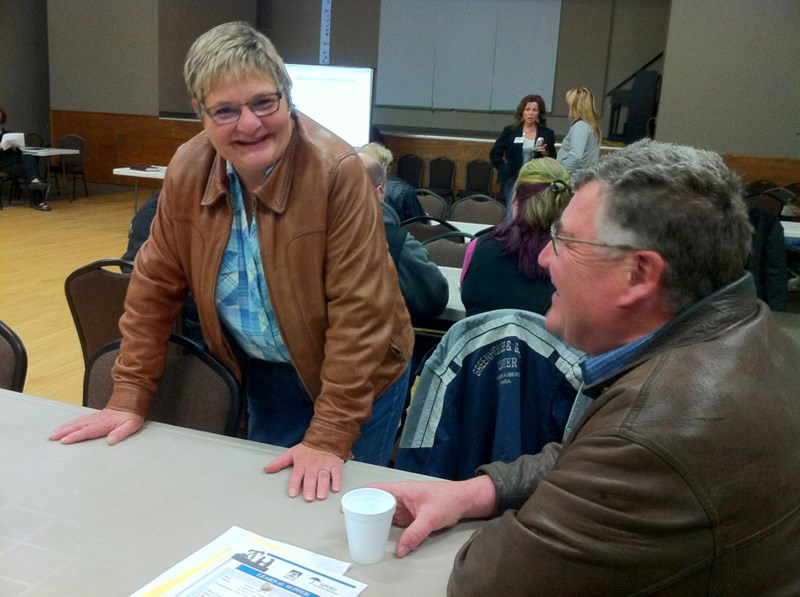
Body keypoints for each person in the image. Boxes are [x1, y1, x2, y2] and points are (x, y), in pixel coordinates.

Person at [371, 139, 800, 594]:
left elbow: (488, 582)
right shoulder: (754, 331)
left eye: (564, 241)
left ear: (638, 274)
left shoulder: (658, 428)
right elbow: (593, 458)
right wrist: (477, 491)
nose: (543, 257)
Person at [50, 22, 414, 503]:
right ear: (200, 113)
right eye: (226, 110)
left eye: (264, 102)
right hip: (268, 372)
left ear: (287, 97)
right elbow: (152, 288)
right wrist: (129, 396)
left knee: (335, 514)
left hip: (360, 376)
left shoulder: (337, 172)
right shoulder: (187, 167)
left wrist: (328, 435)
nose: (249, 124)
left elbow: (359, 314)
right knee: (267, 506)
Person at [460, 158, 571, 317]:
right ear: (567, 205)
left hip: (480, 341)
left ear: (516, 199)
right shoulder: (575, 261)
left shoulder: (477, 247)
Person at [358, 151, 448, 320]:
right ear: (379, 192)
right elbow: (435, 298)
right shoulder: (397, 242)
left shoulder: (312, 234)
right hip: (375, 340)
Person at [489, 94, 556, 203]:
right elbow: (494, 155)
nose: (530, 113)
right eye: (527, 109)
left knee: (531, 215)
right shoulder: (510, 131)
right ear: (522, 112)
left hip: (535, 181)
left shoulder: (547, 133)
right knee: (513, 215)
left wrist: (545, 153)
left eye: (534, 110)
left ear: (539, 113)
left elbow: (553, 159)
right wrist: (504, 169)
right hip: (513, 180)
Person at [358, 142, 424, 222]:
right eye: (387, 167)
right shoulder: (404, 190)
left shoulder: (346, 186)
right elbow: (420, 225)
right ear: (382, 165)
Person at [0, 108, 51, 211]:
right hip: (3, 162)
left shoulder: (6, 133)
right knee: (29, 172)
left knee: (27, 153)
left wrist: (14, 146)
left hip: (14, 160)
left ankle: (34, 181)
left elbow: (17, 150)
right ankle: (39, 200)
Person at [556, 86, 601, 181]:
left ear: (576, 105)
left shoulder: (581, 126)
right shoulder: (592, 126)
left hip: (573, 181)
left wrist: (559, 175)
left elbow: (575, 157)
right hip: (583, 179)